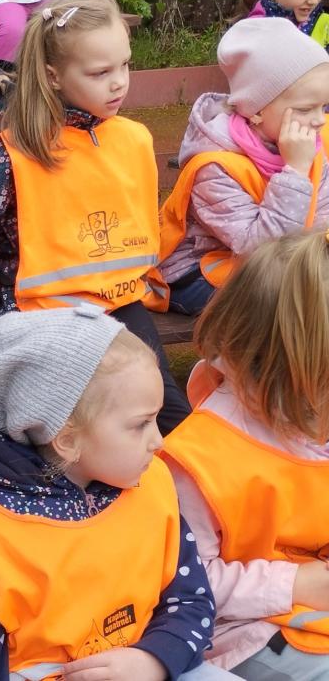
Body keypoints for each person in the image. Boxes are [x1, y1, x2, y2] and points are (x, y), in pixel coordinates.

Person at [0, 308, 229, 681]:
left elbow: (192, 601)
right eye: (141, 424)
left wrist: (154, 660)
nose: (159, 440)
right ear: (67, 440)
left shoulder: (153, 483)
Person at [0, 0, 190, 433]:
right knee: (85, 425)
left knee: (168, 414)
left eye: (125, 65)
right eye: (100, 72)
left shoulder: (133, 138)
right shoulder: (5, 156)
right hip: (41, 317)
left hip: (120, 302)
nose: (119, 82)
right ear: (53, 76)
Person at [162, 231, 329, 679]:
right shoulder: (197, 460)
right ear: (284, 369)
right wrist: (298, 583)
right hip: (248, 631)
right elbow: (185, 584)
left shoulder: (313, 414)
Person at [158, 18, 329, 315]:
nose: (319, 120)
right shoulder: (213, 166)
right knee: (285, 303)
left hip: (278, 261)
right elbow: (262, 251)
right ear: (257, 111)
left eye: (324, 106)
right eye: (305, 109)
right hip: (201, 270)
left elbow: (321, 222)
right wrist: (295, 174)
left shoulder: (309, 144)